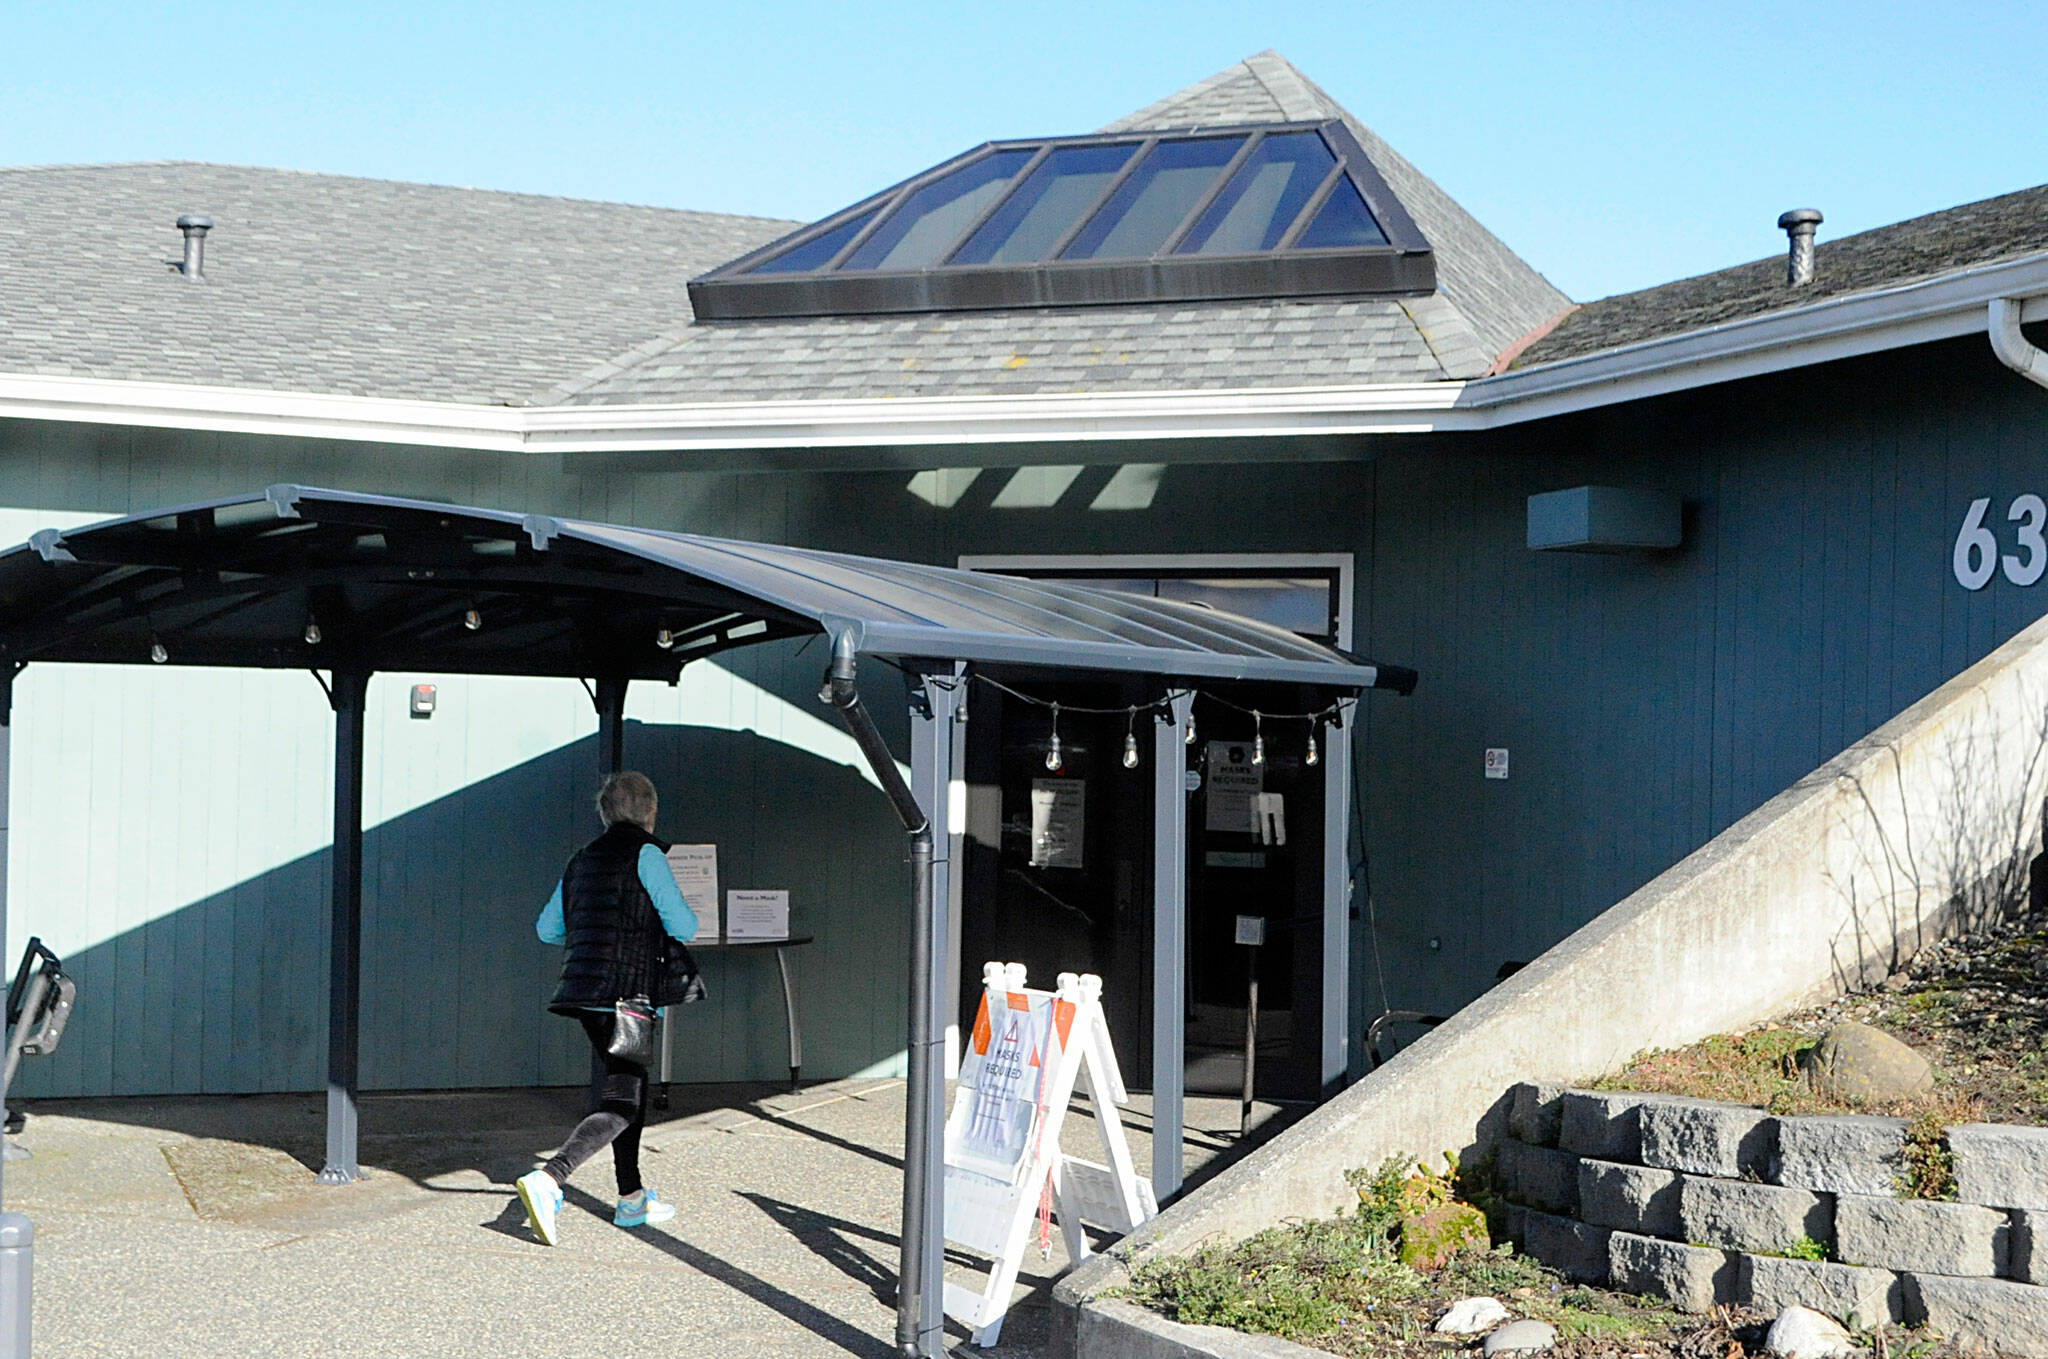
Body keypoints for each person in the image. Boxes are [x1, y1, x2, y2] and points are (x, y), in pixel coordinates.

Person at [516, 770, 702, 1246]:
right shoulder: (647, 854)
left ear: (604, 813)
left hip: (586, 995)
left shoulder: (580, 860)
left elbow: (547, 929)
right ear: (651, 812)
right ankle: (552, 1177)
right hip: (630, 994)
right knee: (622, 1102)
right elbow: (682, 923)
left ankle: (631, 1199)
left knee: (627, 1089)